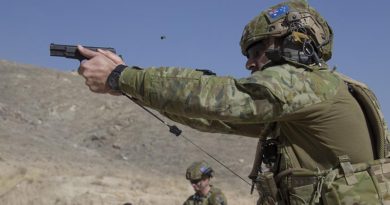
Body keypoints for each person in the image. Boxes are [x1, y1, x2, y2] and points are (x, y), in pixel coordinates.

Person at [77, 0, 389, 204]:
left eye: (256, 52)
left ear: (291, 42)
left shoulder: (310, 84)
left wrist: (122, 76)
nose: (250, 64)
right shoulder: (317, 94)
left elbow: (221, 99)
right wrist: (128, 87)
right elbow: (213, 117)